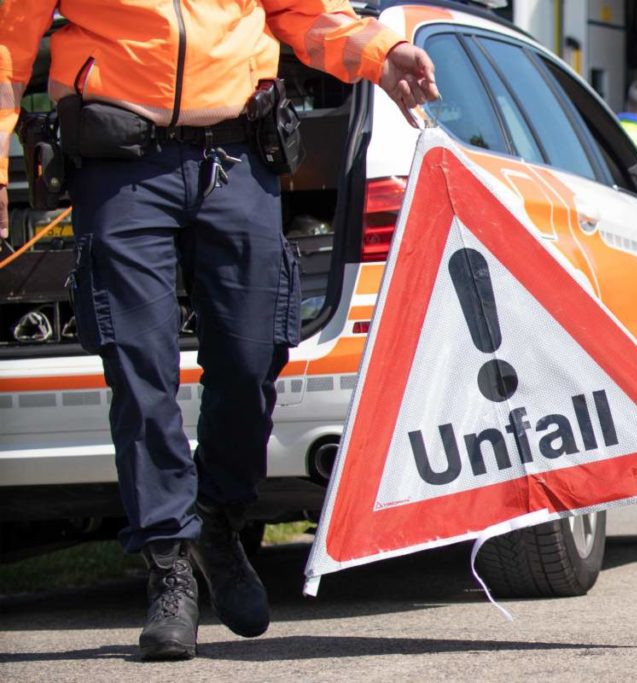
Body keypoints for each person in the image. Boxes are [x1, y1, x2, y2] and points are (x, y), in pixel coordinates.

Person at [0, 1, 439, 660]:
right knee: (138, 366)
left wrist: (382, 55)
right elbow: (7, 50)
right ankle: (169, 565)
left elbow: (305, 14)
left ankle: (219, 521)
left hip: (237, 156)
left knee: (254, 348)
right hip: (120, 165)